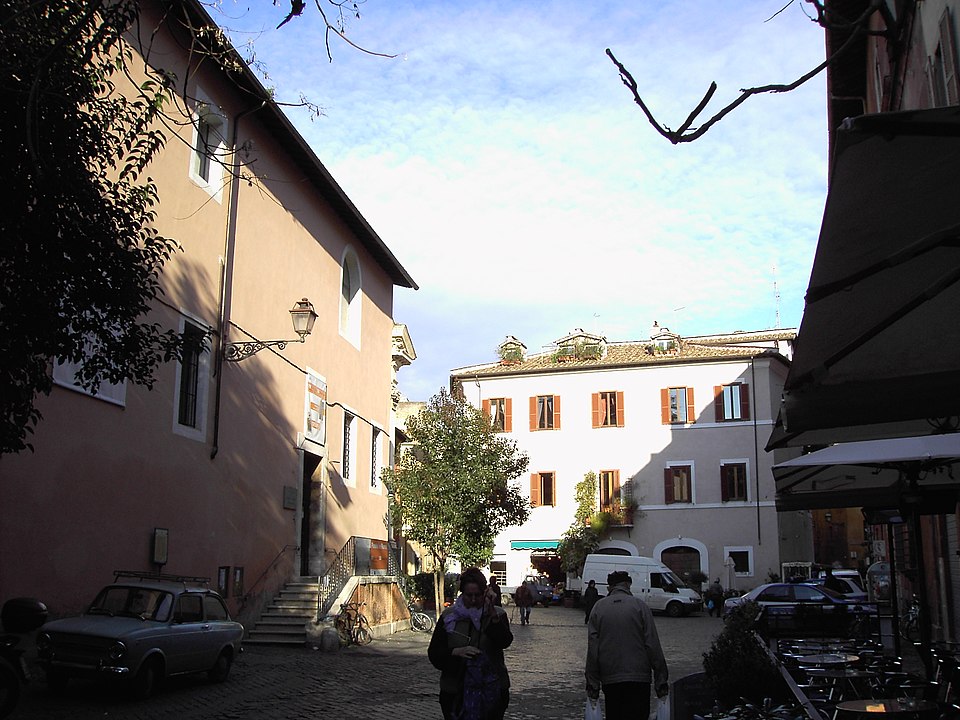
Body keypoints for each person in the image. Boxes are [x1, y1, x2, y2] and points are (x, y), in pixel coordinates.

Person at [429, 567, 513, 719]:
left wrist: (492, 613)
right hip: (455, 691)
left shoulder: (498, 614)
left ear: (485, 593)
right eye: (469, 595)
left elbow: (505, 641)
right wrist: (456, 652)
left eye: (477, 595)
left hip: (491, 691)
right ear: (462, 593)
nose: (473, 600)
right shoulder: (449, 616)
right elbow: (435, 653)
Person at [585, 571, 668, 720]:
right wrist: (661, 681)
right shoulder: (640, 606)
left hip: (611, 676)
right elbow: (652, 644)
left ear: (610, 587)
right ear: (628, 585)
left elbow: (593, 650)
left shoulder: (598, 608)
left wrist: (593, 684)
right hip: (639, 676)